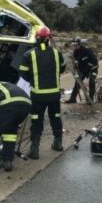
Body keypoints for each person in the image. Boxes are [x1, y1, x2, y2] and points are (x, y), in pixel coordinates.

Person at [18, 27, 66, 159]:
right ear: (49, 39)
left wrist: (34, 80)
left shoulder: (29, 54)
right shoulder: (57, 54)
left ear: (37, 38)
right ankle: (58, 143)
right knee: (55, 117)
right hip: (54, 95)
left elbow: (22, 72)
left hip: (37, 95)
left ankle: (34, 149)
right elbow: (62, 69)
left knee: (36, 121)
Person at [65, 37, 98, 104]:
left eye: (76, 45)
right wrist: (76, 71)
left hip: (92, 68)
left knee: (91, 81)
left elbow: (93, 62)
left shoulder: (87, 51)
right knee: (78, 82)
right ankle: (73, 99)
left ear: (79, 44)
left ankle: (90, 99)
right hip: (83, 69)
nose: (74, 46)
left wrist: (83, 72)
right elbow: (76, 63)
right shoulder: (75, 53)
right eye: (73, 45)